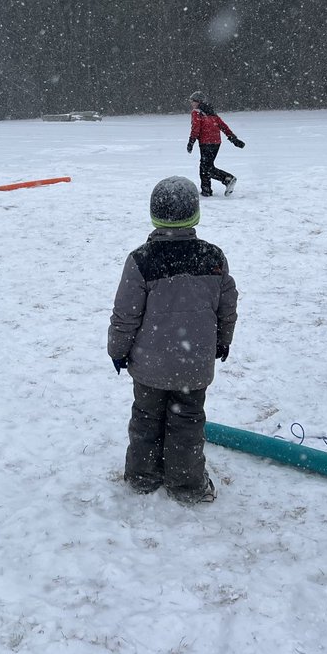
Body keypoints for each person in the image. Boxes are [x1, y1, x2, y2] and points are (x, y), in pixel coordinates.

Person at [107, 175, 238, 504]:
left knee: (146, 418)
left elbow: (126, 313)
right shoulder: (213, 258)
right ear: (195, 215)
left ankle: (142, 475)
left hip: (150, 365)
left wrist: (118, 350)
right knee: (187, 421)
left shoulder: (140, 260)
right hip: (193, 364)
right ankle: (185, 483)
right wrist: (223, 341)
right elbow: (227, 308)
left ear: (154, 216)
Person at [186, 90, 244, 198]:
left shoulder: (196, 112)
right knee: (206, 167)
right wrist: (233, 139)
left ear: (198, 101)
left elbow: (196, 128)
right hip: (216, 143)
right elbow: (223, 126)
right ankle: (207, 191)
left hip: (205, 143)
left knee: (205, 168)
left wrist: (191, 141)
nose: (191, 103)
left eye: (192, 101)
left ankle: (227, 179)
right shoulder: (211, 112)